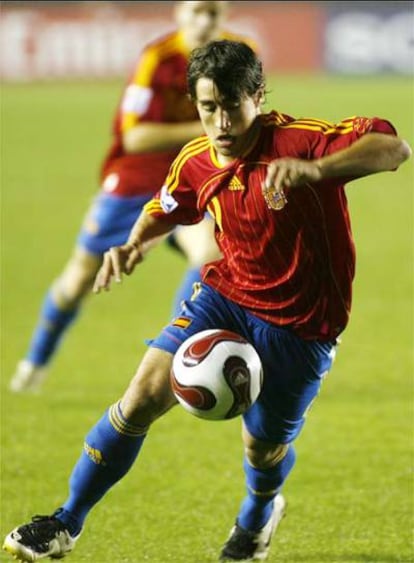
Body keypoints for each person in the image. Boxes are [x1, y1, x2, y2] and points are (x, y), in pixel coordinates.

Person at [3, 40, 410, 562]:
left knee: (261, 449)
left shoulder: (300, 142)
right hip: (224, 296)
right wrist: (132, 245)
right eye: (207, 107)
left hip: (302, 325)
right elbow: (167, 206)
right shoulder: (196, 159)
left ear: (258, 96)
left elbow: (393, 149)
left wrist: (317, 171)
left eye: (231, 105)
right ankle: (65, 522)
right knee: (140, 397)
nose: (220, 121)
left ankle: (257, 518)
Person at [9, 0, 255, 393]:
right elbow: (135, 136)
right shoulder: (157, 59)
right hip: (135, 182)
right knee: (78, 282)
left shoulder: (237, 54)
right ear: (179, 13)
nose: (205, 20)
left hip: (192, 181)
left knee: (210, 254)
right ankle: (35, 362)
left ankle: (177, 358)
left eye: (213, 12)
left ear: (225, 15)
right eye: (197, 11)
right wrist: (204, 128)